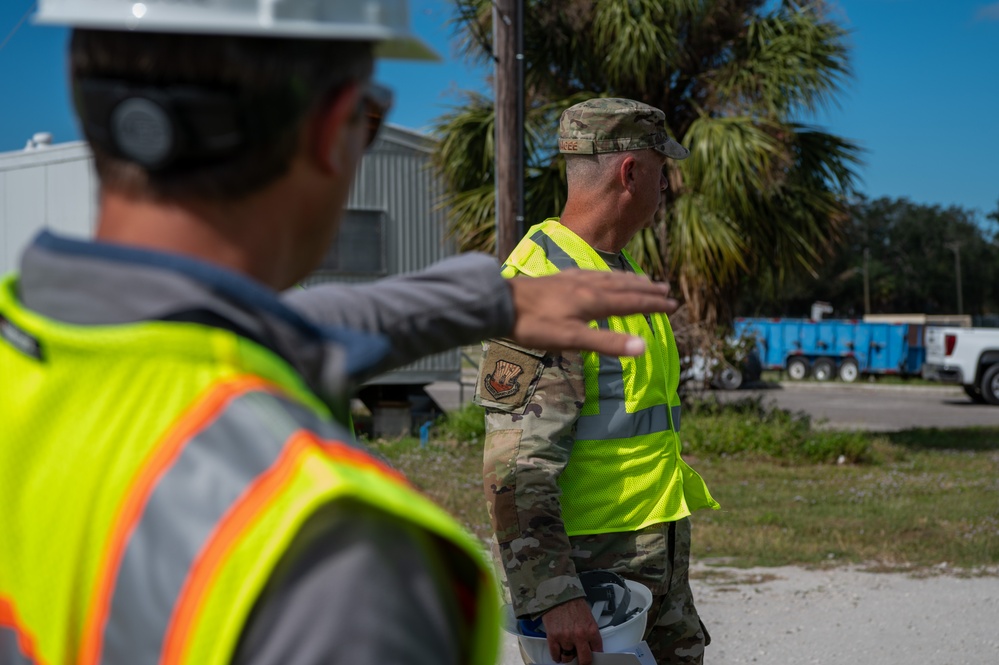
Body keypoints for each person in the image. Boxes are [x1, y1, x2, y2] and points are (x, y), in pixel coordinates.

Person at [0, 4, 683, 665]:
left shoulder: (23, 353)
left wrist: (485, 300)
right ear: (333, 129)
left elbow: (274, 327)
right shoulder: (338, 554)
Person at [476, 98, 721, 665]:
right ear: (631, 172)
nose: (667, 187)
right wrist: (556, 596)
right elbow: (515, 467)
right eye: (662, 170)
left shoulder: (613, 269)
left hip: (648, 569)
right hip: (593, 581)